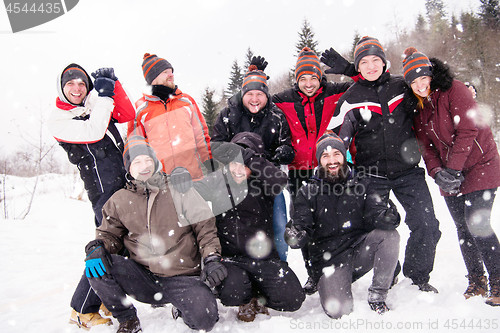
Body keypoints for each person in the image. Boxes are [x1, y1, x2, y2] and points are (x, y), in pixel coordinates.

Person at [330, 36, 442, 293]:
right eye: (365, 62)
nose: (371, 66)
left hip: (408, 172)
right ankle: (390, 271)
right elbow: (336, 141)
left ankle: (417, 278)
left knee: (427, 225)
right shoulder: (350, 98)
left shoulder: (402, 86)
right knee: (379, 229)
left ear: (384, 62)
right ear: (358, 67)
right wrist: (333, 171)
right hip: (371, 175)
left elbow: (430, 89)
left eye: (376, 60)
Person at [84, 136, 226, 332]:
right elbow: (109, 235)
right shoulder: (119, 200)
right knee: (97, 265)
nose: (144, 165)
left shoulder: (179, 188)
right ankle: (127, 319)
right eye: (137, 161)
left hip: (183, 276)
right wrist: (96, 247)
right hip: (144, 277)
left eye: (148, 160)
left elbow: (205, 226)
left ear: (156, 162)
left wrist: (211, 258)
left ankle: (182, 306)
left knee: (205, 320)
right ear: (128, 168)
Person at [403, 47, 500, 306]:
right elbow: (426, 146)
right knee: (462, 229)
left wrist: (453, 169)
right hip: (449, 172)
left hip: (480, 163)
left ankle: (499, 282)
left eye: (423, 78)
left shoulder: (455, 89)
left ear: (432, 75)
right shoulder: (418, 108)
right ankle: (477, 281)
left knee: (477, 224)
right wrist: (437, 173)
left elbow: (468, 129)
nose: (420, 85)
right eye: (414, 82)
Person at [48, 64, 135, 329]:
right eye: (70, 84)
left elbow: (126, 113)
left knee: (123, 246)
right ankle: (82, 308)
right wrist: (105, 96)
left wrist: (113, 84)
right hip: (103, 192)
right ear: (62, 88)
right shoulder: (60, 119)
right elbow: (94, 132)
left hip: (122, 184)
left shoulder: (92, 108)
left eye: (82, 84)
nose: (76, 89)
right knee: (108, 246)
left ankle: (107, 295)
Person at [285, 132, 400, 318]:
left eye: (336, 154)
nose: (332, 160)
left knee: (390, 235)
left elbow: (375, 213)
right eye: (325, 155)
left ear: (344, 156)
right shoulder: (307, 191)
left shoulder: (362, 183)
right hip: (329, 261)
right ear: (319, 161)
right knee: (338, 310)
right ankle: (336, 284)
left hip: (359, 250)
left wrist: (387, 218)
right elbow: (302, 226)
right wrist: (295, 235)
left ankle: (378, 295)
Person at [193, 132, 305, 322]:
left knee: (293, 298)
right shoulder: (218, 181)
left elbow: (280, 180)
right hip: (231, 258)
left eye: (245, 165)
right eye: (234, 163)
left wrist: (251, 158)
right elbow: (193, 190)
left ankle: (259, 295)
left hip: (264, 258)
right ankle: (247, 299)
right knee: (232, 292)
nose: (238, 169)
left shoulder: (265, 184)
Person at [272, 47, 355, 293]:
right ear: (296, 79)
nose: (308, 83)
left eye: (313, 77)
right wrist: (254, 75)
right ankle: (313, 274)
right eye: (303, 78)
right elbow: (255, 99)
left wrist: (350, 69)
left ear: (320, 77)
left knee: (339, 220)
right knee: (303, 224)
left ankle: (348, 267)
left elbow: (369, 84)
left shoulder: (334, 93)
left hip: (329, 168)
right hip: (298, 173)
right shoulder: (284, 99)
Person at [211, 56, 294, 261]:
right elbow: (215, 146)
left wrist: (284, 151)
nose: (254, 99)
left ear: (266, 95)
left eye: (259, 94)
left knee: (279, 226)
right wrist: (242, 155)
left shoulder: (276, 116)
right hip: (234, 181)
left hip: (267, 180)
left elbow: (286, 144)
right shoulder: (228, 115)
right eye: (250, 93)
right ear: (242, 94)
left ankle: (279, 266)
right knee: (234, 229)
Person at [128, 53, 212, 181]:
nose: (171, 75)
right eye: (166, 72)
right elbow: (136, 146)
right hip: (163, 183)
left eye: (171, 72)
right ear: (154, 77)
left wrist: (209, 161)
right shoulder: (140, 109)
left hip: (194, 178)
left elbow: (201, 136)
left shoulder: (186, 101)